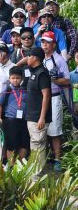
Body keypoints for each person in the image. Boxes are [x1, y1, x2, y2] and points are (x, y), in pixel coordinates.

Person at [40, 31, 69, 172]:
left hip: (55, 97)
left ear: (54, 44)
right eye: (43, 42)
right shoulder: (41, 59)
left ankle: (58, 158)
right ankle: (45, 157)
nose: (44, 45)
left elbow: (67, 80)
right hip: (41, 99)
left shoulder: (58, 59)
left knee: (55, 130)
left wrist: (52, 80)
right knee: (43, 129)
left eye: (47, 42)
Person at [25, 47, 52, 175]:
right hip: (32, 116)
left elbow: (46, 96)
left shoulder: (42, 73)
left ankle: (36, 179)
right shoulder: (33, 71)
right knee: (35, 148)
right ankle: (34, 177)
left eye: (29, 56)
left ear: (35, 58)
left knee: (38, 148)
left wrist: (42, 117)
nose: (27, 58)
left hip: (38, 118)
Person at [0, 65, 29, 163]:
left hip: (23, 120)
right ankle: (11, 166)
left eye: (18, 78)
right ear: (9, 78)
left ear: (22, 78)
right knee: (11, 145)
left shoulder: (25, 90)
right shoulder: (6, 90)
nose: (15, 80)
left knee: (24, 144)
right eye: (13, 78)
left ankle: (21, 165)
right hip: (10, 121)